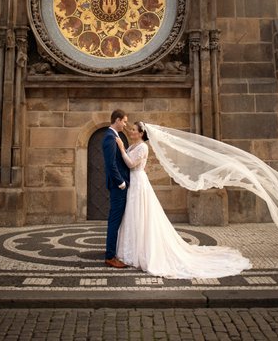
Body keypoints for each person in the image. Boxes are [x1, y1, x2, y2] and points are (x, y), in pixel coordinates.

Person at [115, 122, 252, 279]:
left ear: (140, 133)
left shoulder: (143, 147)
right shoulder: (133, 146)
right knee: (133, 215)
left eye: (133, 130)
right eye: (131, 129)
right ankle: (131, 250)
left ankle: (141, 252)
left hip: (139, 183)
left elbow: (132, 164)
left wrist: (120, 148)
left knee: (140, 215)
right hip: (134, 182)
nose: (130, 131)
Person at [102, 109, 129, 268]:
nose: (125, 124)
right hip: (118, 187)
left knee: (117, 220)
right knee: (114, 221)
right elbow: (110, 165)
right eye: (124, 121)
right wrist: (121, 183)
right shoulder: (109, 138)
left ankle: (113, 251)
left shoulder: (114, 137)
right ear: (117, 120)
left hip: (121, 186)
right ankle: (110, 256)